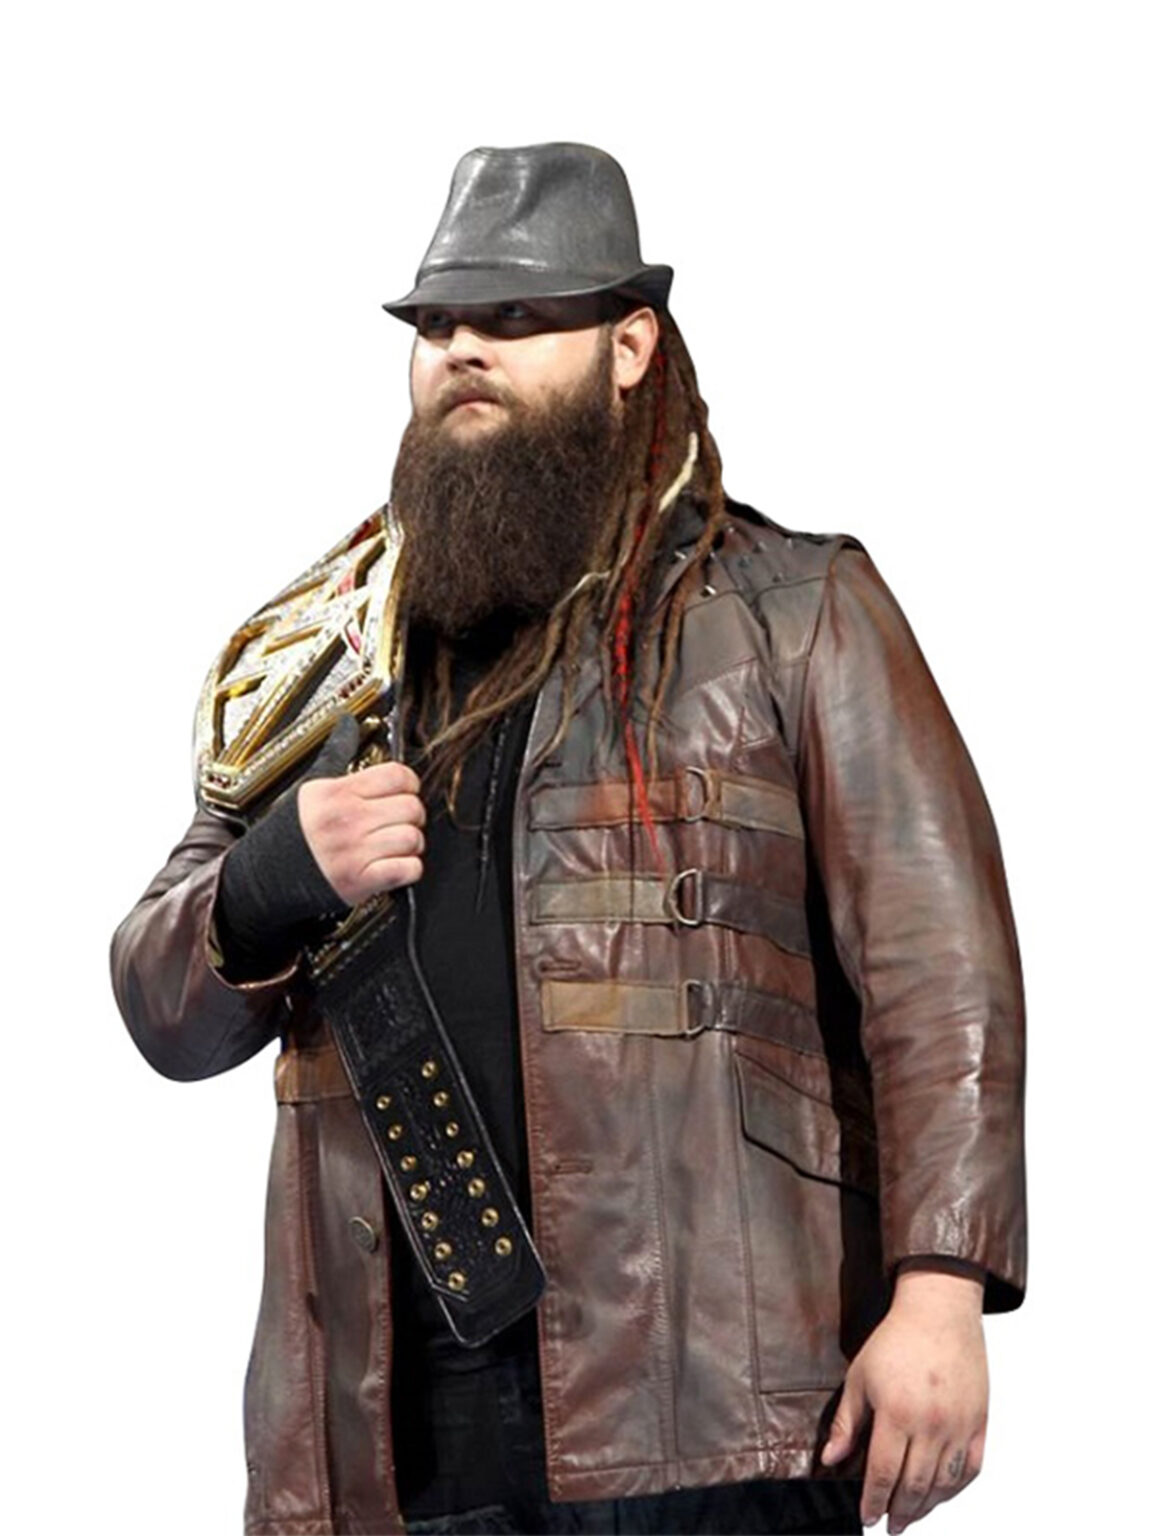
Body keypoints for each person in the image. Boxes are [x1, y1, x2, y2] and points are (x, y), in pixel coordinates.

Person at [111, 143, 1026, 1536]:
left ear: (629, 345)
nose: (464, 350)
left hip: (717, 1414)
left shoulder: (796, 612)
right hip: (390, 1441)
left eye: (517, 317)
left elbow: (941, 974)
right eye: (438, 324)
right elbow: (160, 1005)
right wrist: (271, 874)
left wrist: (941, 1292)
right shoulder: (330, 665)